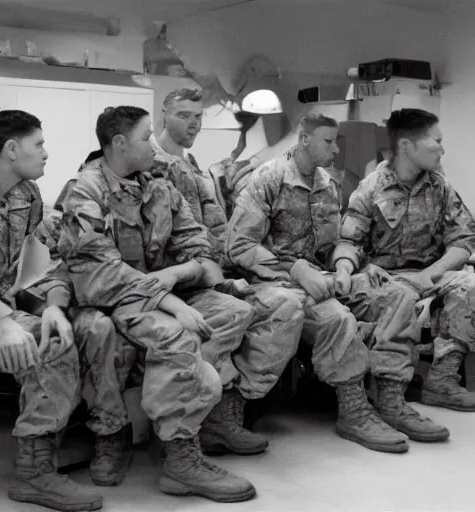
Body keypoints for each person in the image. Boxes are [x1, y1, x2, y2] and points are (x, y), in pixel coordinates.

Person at [57, 106, 256, 502]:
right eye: (146, 136)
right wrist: (168, 300)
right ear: (118, 143)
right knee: (176, 334)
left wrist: (173, 277)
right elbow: (101, 277)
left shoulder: (158, 186)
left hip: (158, 294)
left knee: (235, 312)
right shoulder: (86, 190)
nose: (154, 143)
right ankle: (179, 454)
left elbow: (201, 246)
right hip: (112, 300)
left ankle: (179, 415)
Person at [226, 112, 412, 452]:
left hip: (322, 279)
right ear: (304, 139)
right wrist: (295, 269)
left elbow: (332, 243)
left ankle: (392, 396)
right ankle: (354, 410)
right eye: (328, 141)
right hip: (272, 282)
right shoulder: (268, 178)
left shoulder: (330, 183)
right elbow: (238, 246)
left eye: (335, 141)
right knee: (336, 317)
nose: (336, 149)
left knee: (395, 294)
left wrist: (345, 267)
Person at [151, 87, 306, 456]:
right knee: (229, 316)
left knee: (286, 306)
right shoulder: (148, 166)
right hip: (178, 283)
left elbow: (222, 233)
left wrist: (258, 269)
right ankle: (198, 421)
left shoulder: (196, 170)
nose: (193, 124)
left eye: (198, 117)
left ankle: (228, 409)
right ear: (163, 115)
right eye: (184, 115)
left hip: (219, 274)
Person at [0, 110, 102, 511]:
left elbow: (33, 265)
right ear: (11, 149)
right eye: (38, 144)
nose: (46, 153)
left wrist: (49, 307)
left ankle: (34, 473)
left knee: (53, 340)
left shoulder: (28, 196)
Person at [335, 108, 475, 420]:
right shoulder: (370, 188)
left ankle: (442, 381)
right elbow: (348, 244)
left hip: (427, 275)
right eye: (436, 141)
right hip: (383, 280)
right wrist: (363, 268)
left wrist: (428, 275)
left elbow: (464, 239)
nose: (442, 149)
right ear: (407, 146)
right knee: (387, 296)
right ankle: (387, 386)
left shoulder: (440, 187)